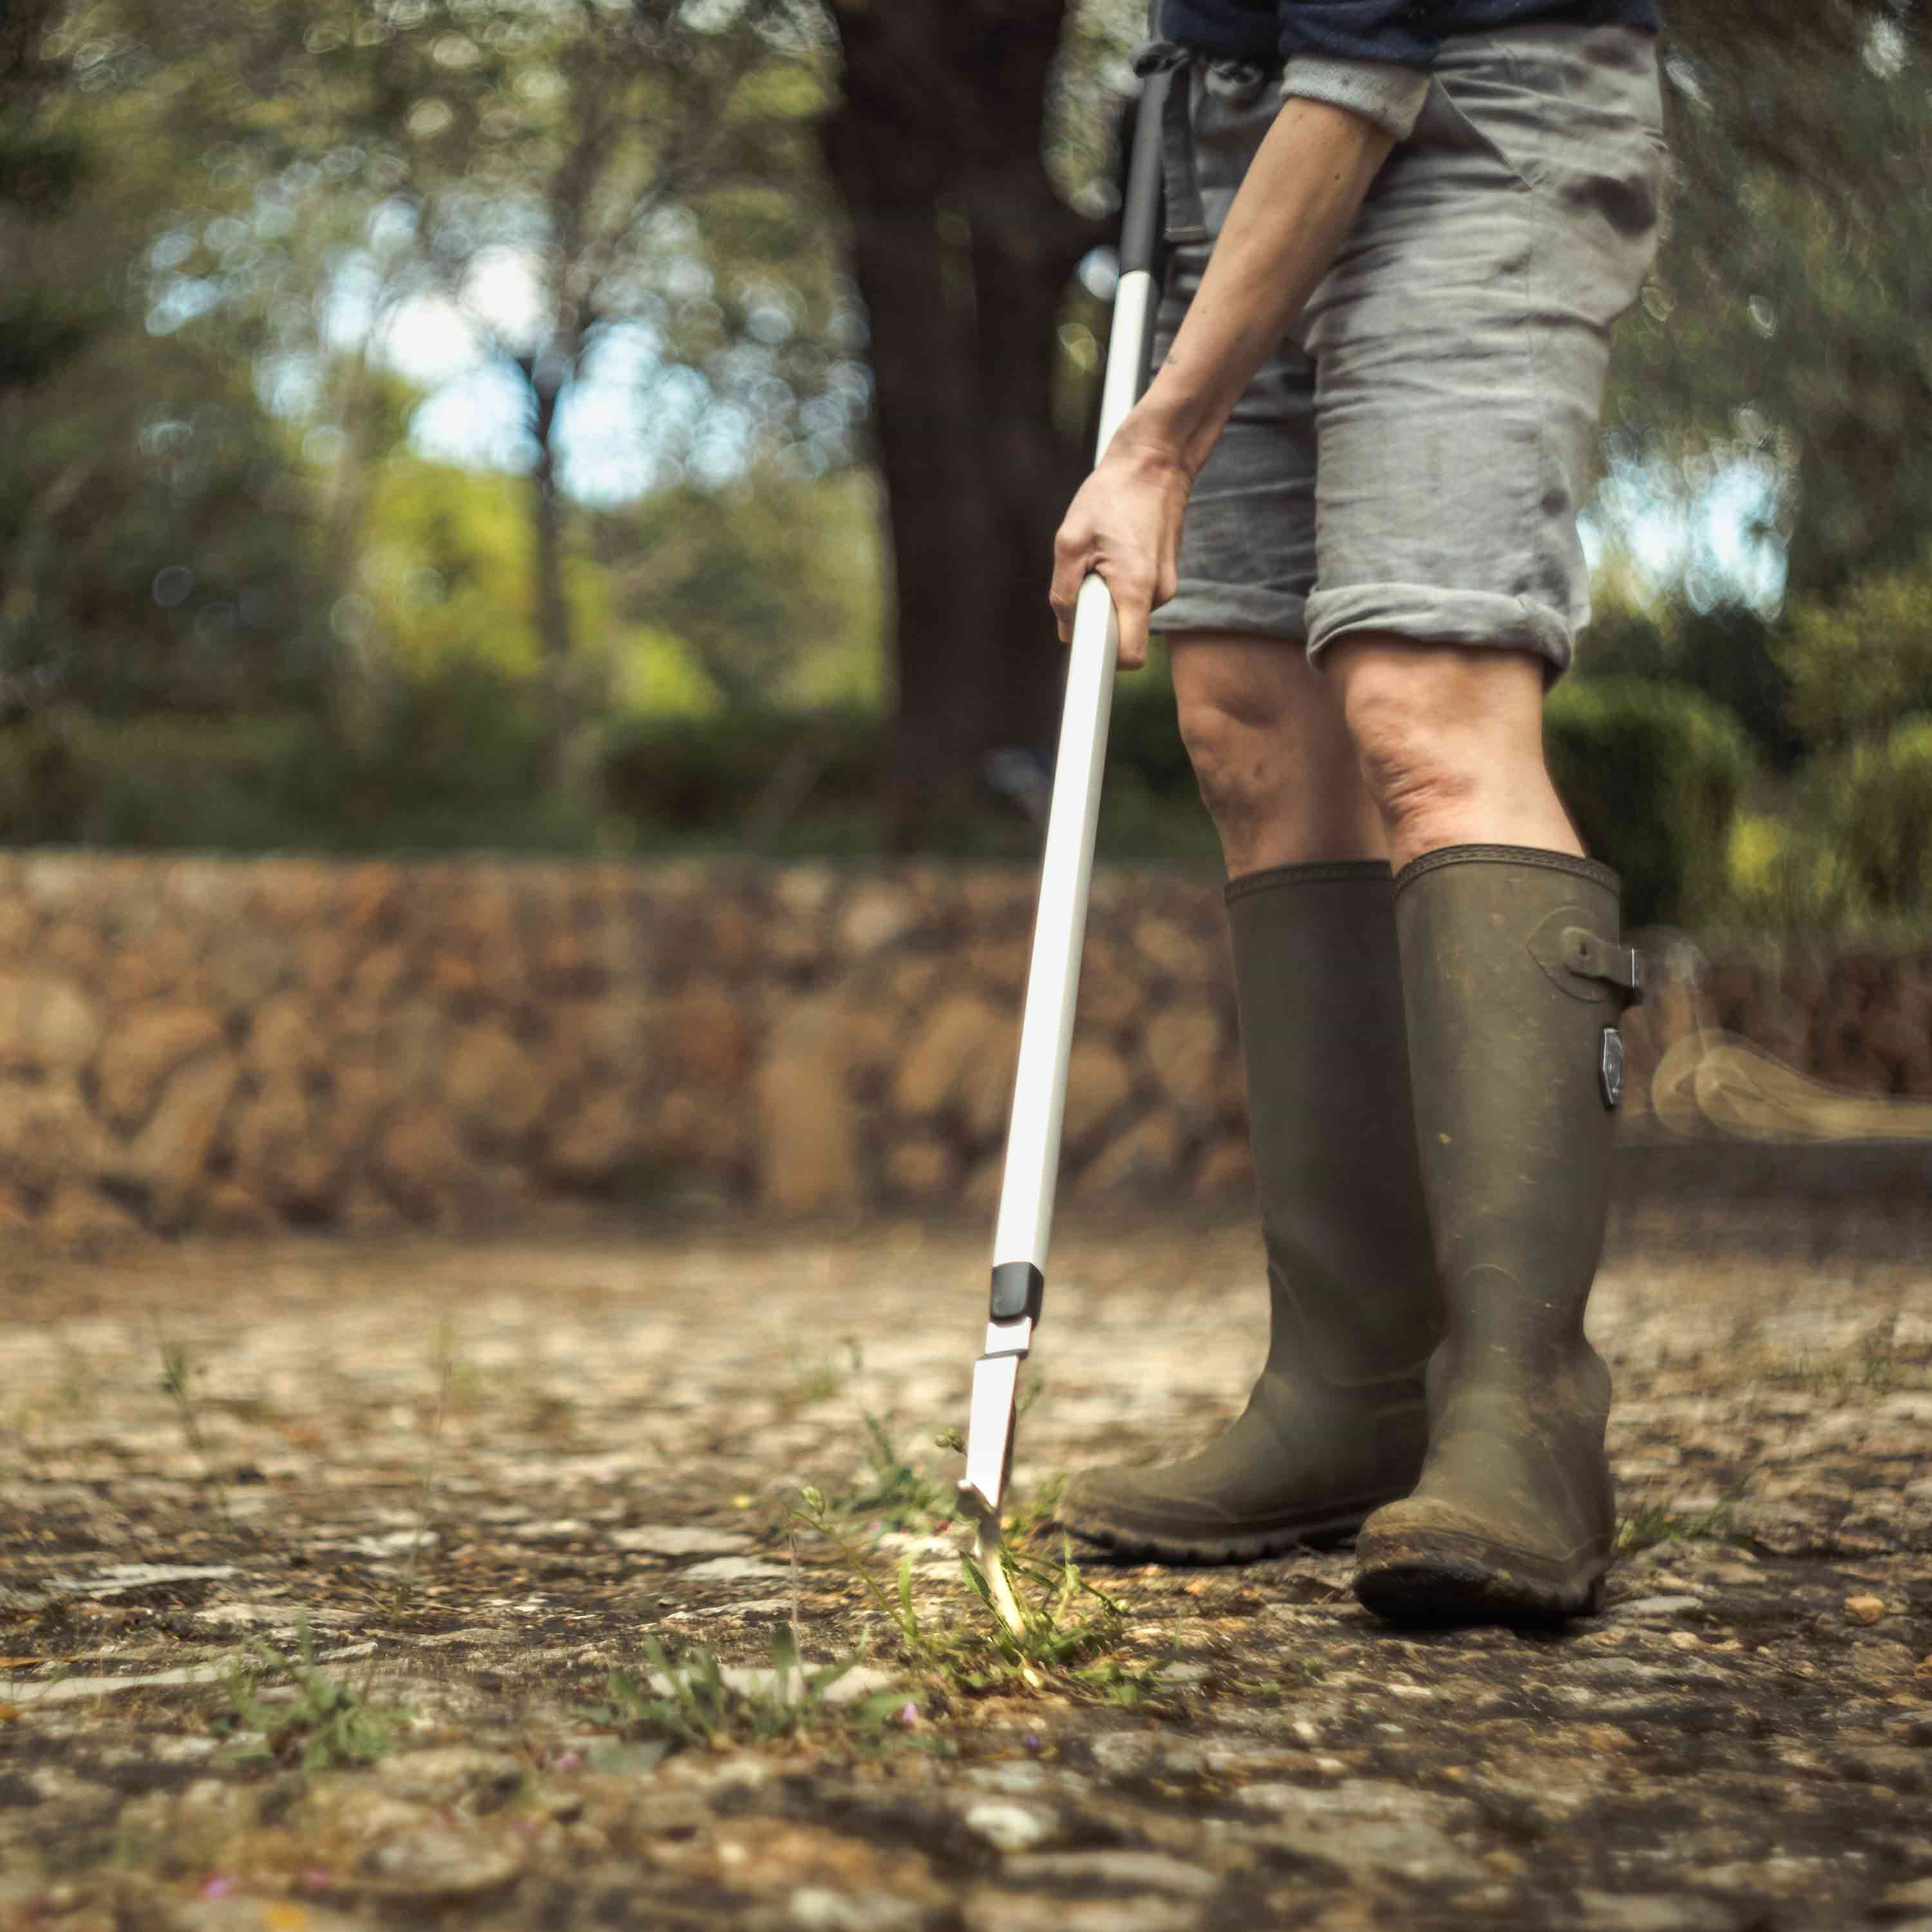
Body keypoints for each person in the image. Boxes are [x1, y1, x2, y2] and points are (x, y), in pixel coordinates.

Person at [1056, 0, 1664, 1624]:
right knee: (1249, 722)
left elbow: (1374, 49)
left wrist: (1160, 436)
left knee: (1421, 693)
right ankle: (1349, 1390)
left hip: (1478, 103)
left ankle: (1523, 1409)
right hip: (1231, 132)